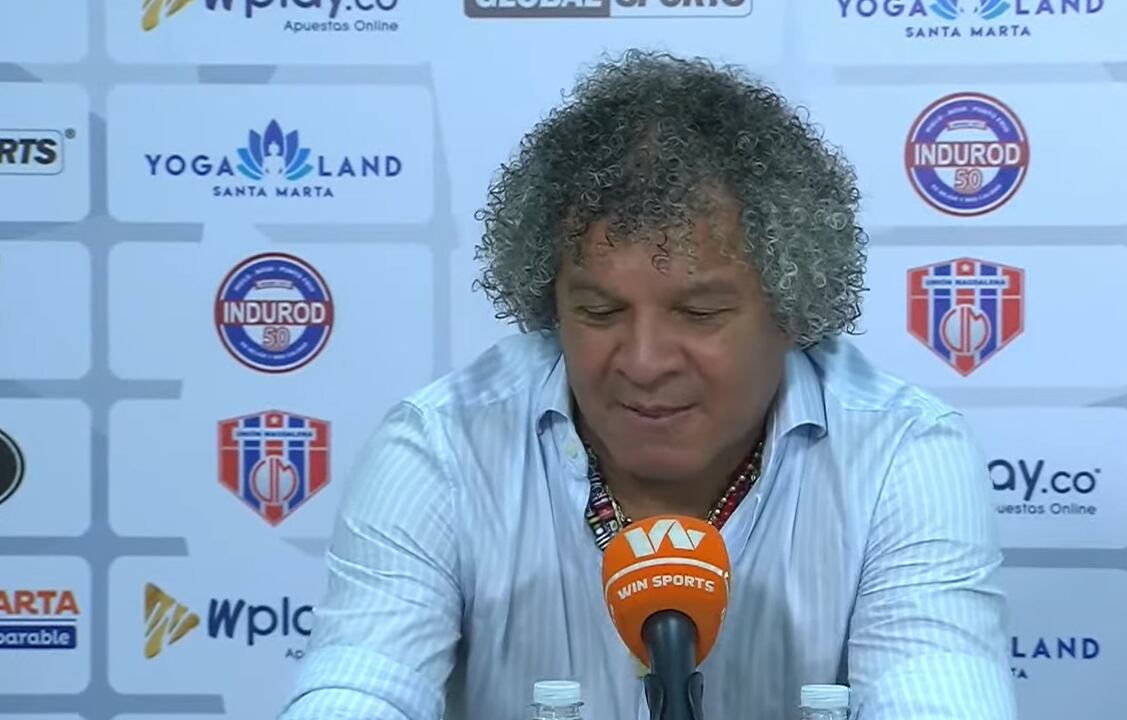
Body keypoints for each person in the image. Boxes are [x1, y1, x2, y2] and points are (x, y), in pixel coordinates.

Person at [278, 50, 1016, 720]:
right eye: (599, 312)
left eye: (699, 313)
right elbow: (362, 682)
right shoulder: (441, 446)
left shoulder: (901, 454)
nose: (643, 360)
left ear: (793, 310)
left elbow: (936, 689)